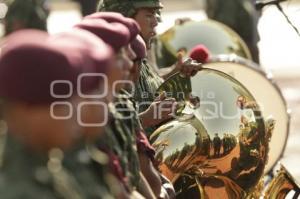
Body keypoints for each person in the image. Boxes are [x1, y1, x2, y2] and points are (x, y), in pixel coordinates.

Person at [0, 29, 119, 198]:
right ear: (26, 109)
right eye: (64, 103)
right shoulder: (17, 190)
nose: (77, 110)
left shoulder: (45, 167)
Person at [97, 1, 202, 132]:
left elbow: (151, 88)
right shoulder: (116, 68)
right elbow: (103, 131)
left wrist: (179, 75)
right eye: (148, 15)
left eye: (155, 15)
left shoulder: (140, 59)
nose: (155, 22)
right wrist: (145, 119)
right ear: (125, 18)